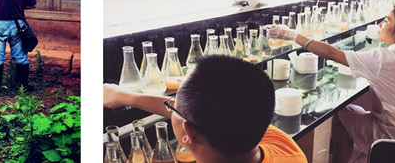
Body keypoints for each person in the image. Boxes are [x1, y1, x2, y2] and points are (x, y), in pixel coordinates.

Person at [270, 3, 395, 163]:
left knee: (341, 113)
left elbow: (331, 54)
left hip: (393, 139)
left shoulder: (382, 59)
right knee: (349, 115)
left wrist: (290, 34)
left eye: (387, 20)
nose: (380, 24)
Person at [104, 56, 308, 163]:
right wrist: (125, 96)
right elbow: (200, 111)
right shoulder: (283, 145)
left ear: (189, 134)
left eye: (174, 103)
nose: (171, 105)